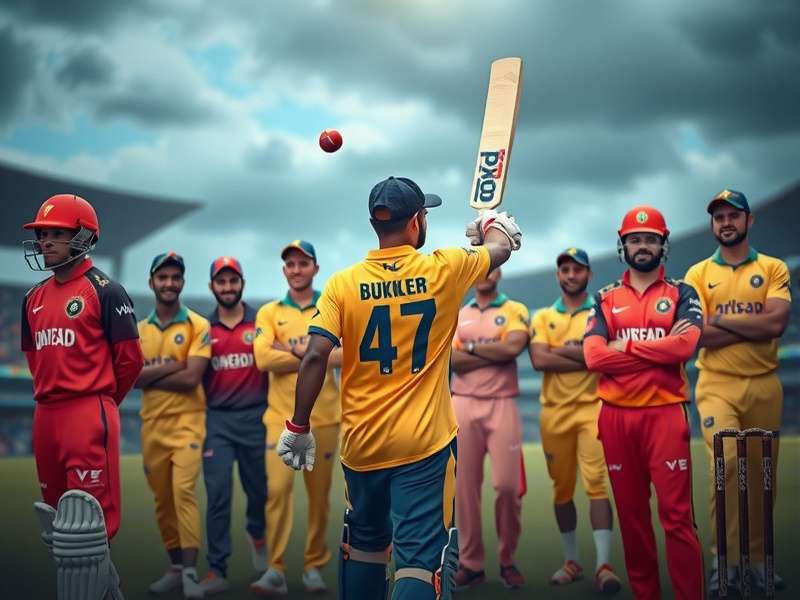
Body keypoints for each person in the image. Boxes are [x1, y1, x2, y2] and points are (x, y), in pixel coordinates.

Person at [276, 176, 521, 600]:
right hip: (424, 446)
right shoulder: (444, 267)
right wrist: (490, 223)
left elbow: (315, 356)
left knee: (366, 547)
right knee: (420, 564)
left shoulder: (341, 283)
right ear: (417, 222)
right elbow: (501, 248)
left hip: (362, 446)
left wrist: (298, 426)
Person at [21, 194, 143, 600]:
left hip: (88, 412)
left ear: (84, 236)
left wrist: (101, 404)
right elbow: (36, 361)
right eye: (42, 235)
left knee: (88, 531)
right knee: (61, 531)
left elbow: (130, 362)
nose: (46, 242)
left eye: (57, 233)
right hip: (46, 417)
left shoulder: (105, 291)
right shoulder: (32, 299)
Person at [583, 206, 705, 600]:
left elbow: (686, 346)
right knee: (633, 521)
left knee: (677, 519)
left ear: (663, 245)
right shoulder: (604, 298)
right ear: (623, 245)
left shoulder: (682, 292)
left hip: (665, 415)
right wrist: (659, 348)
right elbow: (594, 357)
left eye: (651, 239)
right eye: (635, 239)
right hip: (616, 418)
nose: (643, 245)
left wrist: (629, 346)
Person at [684, 189, 791, 595]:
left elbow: (776, 324)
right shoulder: (697, 274)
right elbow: (695, 334)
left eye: (733, 215)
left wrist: (720, 325)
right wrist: (752, 322)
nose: (725, 222)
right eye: (719, 217)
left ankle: (760, 562)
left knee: (762, 476)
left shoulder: (773, 268)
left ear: (749, 221)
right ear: (713, 225)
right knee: (726, 468)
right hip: (716, 385)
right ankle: (723, 563)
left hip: (764, 384)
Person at [251, 241, 342, 595]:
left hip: (326, 417)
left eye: (303, 263)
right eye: (290, 264)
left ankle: (313, 566)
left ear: (315, 268)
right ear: (284, 270)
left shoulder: (329, 307)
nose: (296, 269)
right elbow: (262, 360)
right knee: (277, 491)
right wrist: (315, 354)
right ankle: (274, 568)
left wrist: (290, 349)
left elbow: (347, 355)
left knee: (319, 496)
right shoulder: (270, 312)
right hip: (279, 418)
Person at [529, 248, 621, 594]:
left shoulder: (600, 312)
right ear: (558, 275)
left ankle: (603, 565)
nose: (571, 275)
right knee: (562, 488)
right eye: (565, 269)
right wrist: (585, 353)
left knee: (596, 483)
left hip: (592, 408)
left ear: (589, 274)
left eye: (577, 269)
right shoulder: (542, 318)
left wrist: (564, 353)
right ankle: (572, 561)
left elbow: (606, 359)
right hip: (553, 413)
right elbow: (539, 359)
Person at [135, 252, 211, 599]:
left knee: (183, 492)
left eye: (175, 277)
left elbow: (192, 377)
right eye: (162, 277)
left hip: (188, 423)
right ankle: (176, 568)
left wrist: (150, 374)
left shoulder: (197, 324)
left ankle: (192, 572)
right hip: (152, 425)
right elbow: (130, 377)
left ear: (182, 282)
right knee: (163, 501)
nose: (169, 283)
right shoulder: (138, 331)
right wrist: (173, 366)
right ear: (152, 282)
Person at [449, 268, 530, 590]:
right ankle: (471, 564)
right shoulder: (458, 314)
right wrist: (490, 352)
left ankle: (507, 559)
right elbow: (451, 361)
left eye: (490, 267)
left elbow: (512, 349)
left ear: (499, 271)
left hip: (502, 404)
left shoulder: (515, 310)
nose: (485, 274)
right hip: (463, 403)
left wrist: (469, 349)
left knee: (508, 487)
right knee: (464, 489)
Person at [199, 257, 269, 595]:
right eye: (221, 282)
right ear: (212, 286)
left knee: (259, 491)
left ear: (242, 282)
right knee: (217, 494)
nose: (228, 288)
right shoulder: (202, 328)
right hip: (218, 420)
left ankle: (256, 530)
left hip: (257, 417)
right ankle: (216, 569)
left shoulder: (260, 322)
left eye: (233, 281)